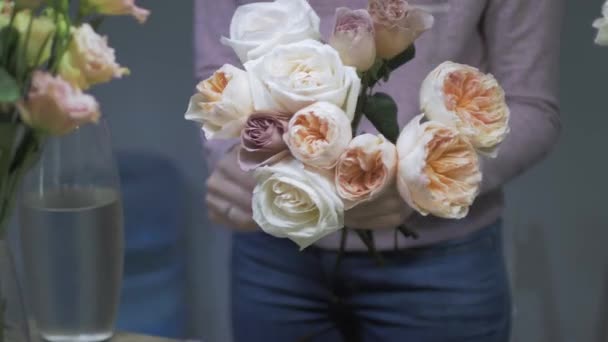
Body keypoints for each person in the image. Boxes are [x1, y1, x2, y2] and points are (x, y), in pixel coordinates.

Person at [194, 0, 562, 341]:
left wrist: (423, 180)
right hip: (274, 253)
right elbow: (217, 74)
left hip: (439, 266)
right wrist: (236, 157)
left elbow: (530, 106)